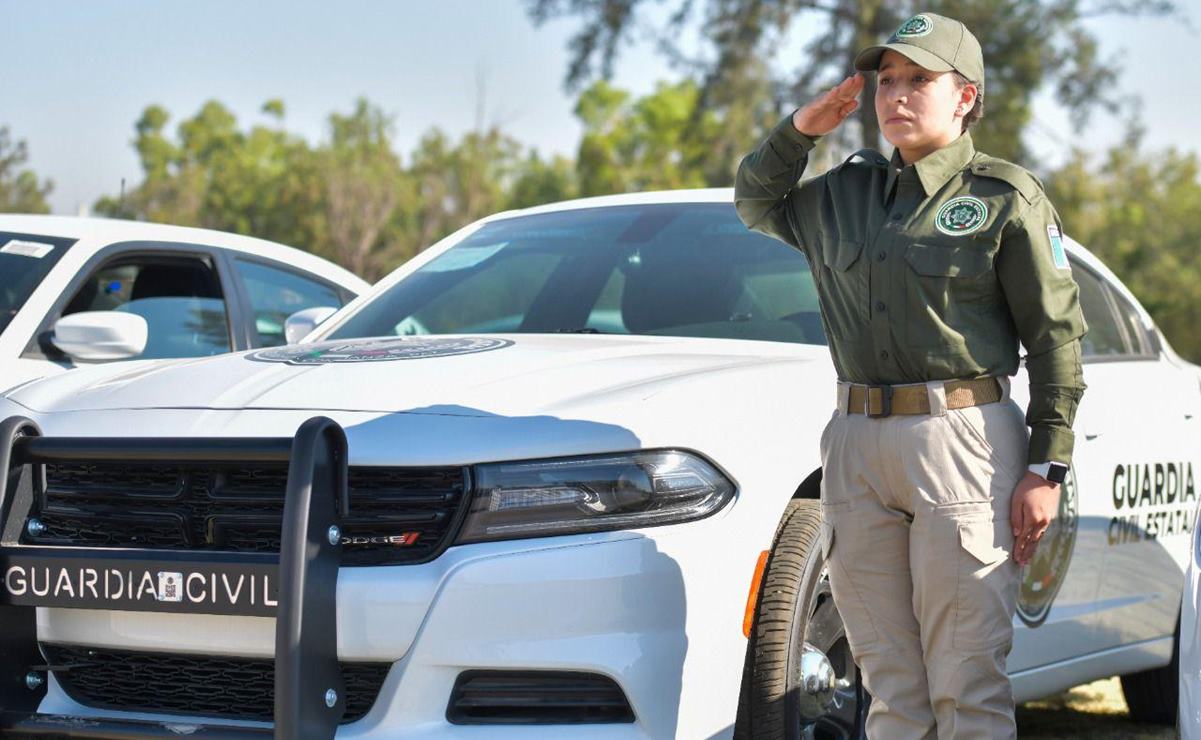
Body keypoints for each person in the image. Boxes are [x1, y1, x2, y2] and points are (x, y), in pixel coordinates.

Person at [734, 11, 1086, 739]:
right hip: (854, 444)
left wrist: (1044, 467)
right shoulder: (840, 195)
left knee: (965, 682)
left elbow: (1055, 341)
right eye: (885, 79)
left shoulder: (1002, 197)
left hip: (960, 441)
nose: (894, 94)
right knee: (889, 687)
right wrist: (801, 130)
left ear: (965, 97)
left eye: (918, 80)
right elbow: (755, 200)